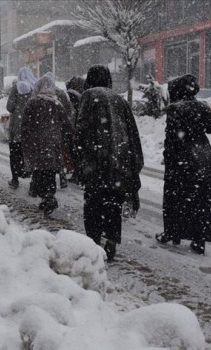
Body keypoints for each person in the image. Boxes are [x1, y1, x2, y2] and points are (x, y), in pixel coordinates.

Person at [74, 65, 144, 261]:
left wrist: (80, 157)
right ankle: (112, 242)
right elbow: (132, 134)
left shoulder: (88, 96)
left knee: (94, 204)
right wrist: (132, 163)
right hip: (119, 164)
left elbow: (81, 129)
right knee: (113, 204)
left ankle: (94, 244)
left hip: (96, 163)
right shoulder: (119, 99)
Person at [156, 74, 211, 255]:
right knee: (201, 200)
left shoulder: (175, 109)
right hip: (202, 158)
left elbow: (171, 138)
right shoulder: (202, 107)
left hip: (181, 160)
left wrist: (168, 157)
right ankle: (199, 239)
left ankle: (172, 232)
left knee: (174, 198)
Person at [22, 73, 72, 215]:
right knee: (49, 172)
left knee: (38, 171)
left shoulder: (32, 103)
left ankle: (43, 195)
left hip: (36, 145)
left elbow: (25, 126)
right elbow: (67, 126)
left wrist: (26, 143)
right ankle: (49, 195)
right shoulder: (57, 104)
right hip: (53, 145)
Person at [42, 72, 75, 189]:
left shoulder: (42, 95)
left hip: (47, 129)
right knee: (60, 152)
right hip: (59, 128)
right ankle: (62, 176)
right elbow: (69, 110)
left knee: (47, 154)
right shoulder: (61, 93)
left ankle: (46, 180)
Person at [6, 67, 37, 189]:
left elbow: (9, 107)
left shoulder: (16, 87)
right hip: (30, 127)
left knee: (14, 154)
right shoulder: (34, 87)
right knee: (31, 155)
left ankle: (15, 180)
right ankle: (33, 182)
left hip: (17, 127)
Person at [65, 76, 85, 183]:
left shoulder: (72, 95)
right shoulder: (84, 96)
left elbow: (70, 112)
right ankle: (80, 174)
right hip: (81, 127)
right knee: (79, 152)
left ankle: (77, 174)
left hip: (74, 127)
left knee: (74, 152)